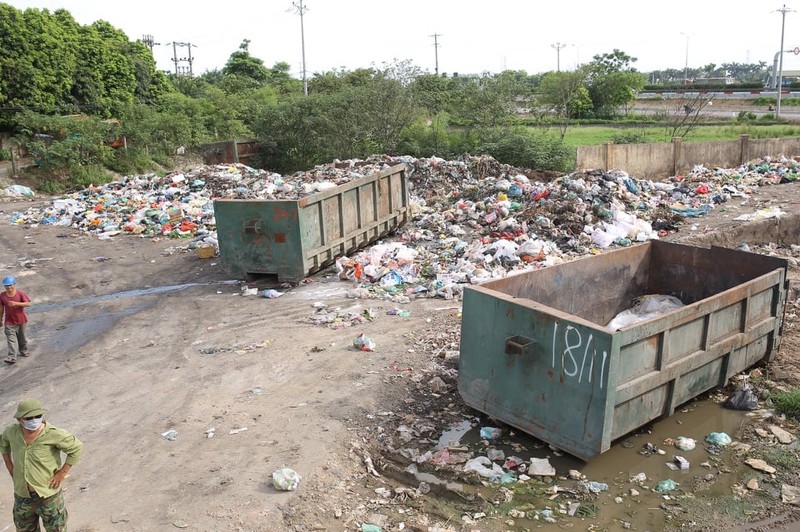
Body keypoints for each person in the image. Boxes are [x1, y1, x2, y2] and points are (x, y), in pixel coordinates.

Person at [0, 399, 83, 532]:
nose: (34, 420)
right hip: (22, 496)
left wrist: (62, 473)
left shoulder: (54, 434)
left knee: (57, 529)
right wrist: (10, 467)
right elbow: (3, 444)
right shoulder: (11, 432)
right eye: (29, 417)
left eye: (37, 416)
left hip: (49, 496)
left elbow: (76, 448)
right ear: (20, 419)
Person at [0, 275, 31, 364]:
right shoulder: (2, 296)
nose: (9, 287)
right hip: (9, 322)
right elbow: (1, 308)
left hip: (21, 320)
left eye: (10, 285)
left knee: (22, 338)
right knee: (11, 339)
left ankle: (24, 351)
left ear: (14, 284)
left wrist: (16, 303)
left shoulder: (20, 293)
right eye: (6, 285)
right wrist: (0, 319)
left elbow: (28, 303)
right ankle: (12, 356)